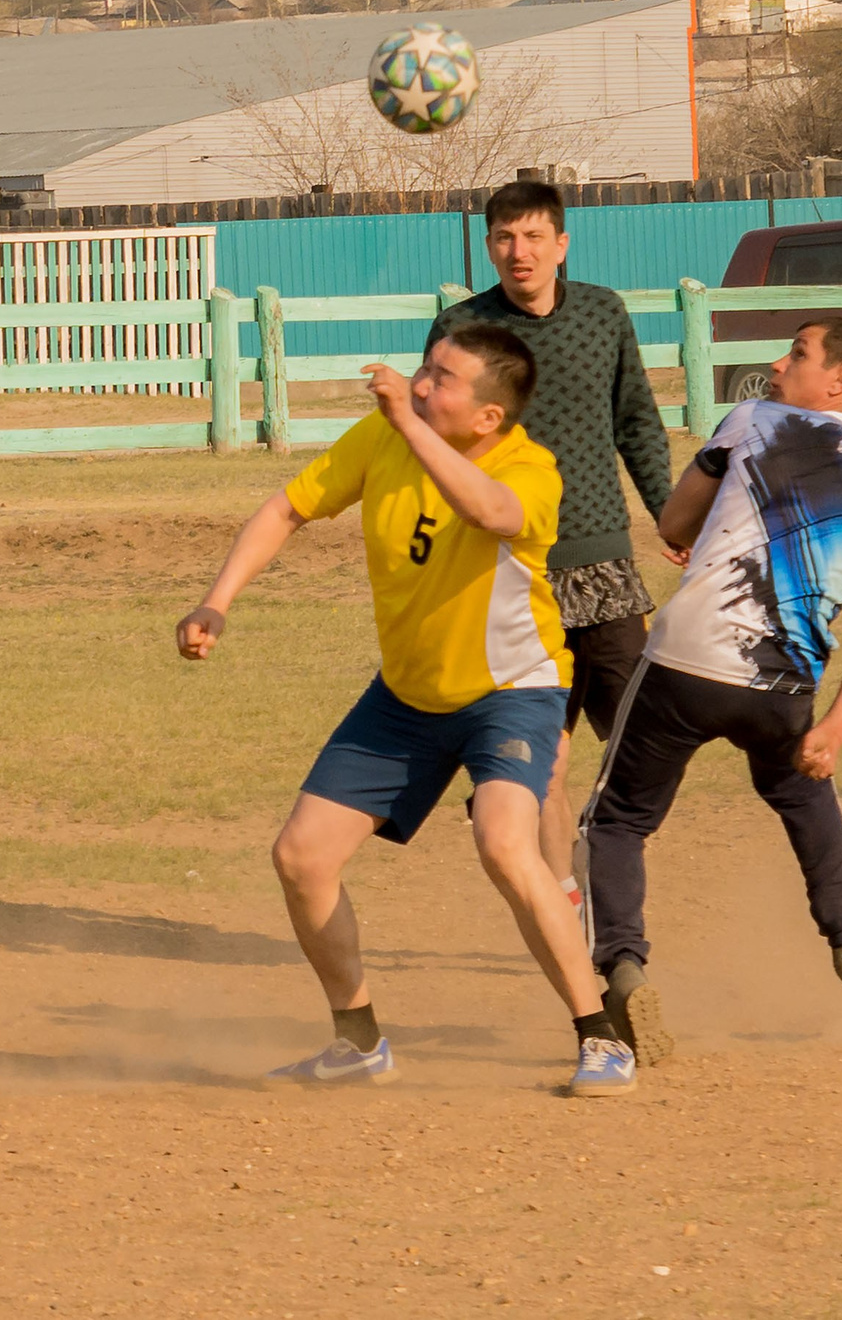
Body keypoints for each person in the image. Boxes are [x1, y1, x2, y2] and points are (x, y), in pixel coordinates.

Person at [178, 324, 635, 1097]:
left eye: (442, 379)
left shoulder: (531, 469)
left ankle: (600, 1037)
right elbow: (285, 510)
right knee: (301, 857)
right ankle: (357, 1041)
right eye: (424, 370)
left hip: (510, 691)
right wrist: (217, 601)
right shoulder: (384, 438)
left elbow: (489, 512)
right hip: (406, 694)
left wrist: (408, 425)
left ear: (489, 417)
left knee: (502, 843)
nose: (420, 385)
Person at [579, 319, 842, 1063]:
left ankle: (623, 966)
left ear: (839, 381)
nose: (776, 363)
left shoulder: (754, 418)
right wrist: (836, 731)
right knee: (801, 789)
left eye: (797, 354)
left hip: (685, 663)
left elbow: (672, 520)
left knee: (618, 819)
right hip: (782, 682)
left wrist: (694, 531)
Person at [431, 177, 672, 910]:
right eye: (505, 237)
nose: (519, 251)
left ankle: (606, 859)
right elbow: (440, 444)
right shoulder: (462, 328)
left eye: (534, 236)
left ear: (561, 244)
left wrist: (672, 515)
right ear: (488, 246)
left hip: (602, 568)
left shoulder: (604, 314)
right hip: (508, 573)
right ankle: (568, 901)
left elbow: (636, 421)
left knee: (642, 743)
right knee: (546, 759)